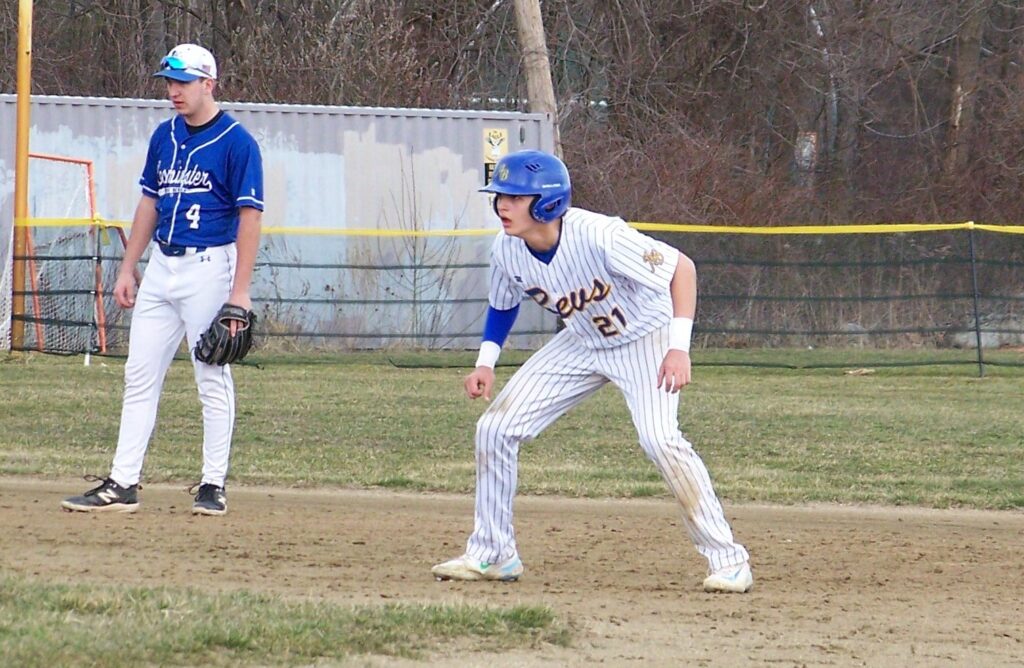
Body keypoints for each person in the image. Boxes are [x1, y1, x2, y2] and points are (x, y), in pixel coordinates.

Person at [431, 150, 752, 592]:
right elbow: (502, 304)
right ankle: (493, 554)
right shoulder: (507, 250)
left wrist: (679, 349)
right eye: (499, 196)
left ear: (546, 201)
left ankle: (728, 560)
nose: (502, 205)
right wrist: (485, 363)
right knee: (494, 429)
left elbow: (683, 270)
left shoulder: (600, 235)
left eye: (515, 196)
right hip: (583, 342)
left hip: (646, 337)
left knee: (660, 439)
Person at [61, 43, 264, 516]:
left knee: (211, 374)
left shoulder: (236, 142)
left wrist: (240, 292)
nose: (173, 91)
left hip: (211, 266)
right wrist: (129, 266)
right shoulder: (163, 136)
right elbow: (149, 202)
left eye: (183, 82)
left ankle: (213, 484)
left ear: (208, 84)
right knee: (138, 375)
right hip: (161, 267)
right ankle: (122, 483)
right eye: (169, 82)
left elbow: (250, 216)